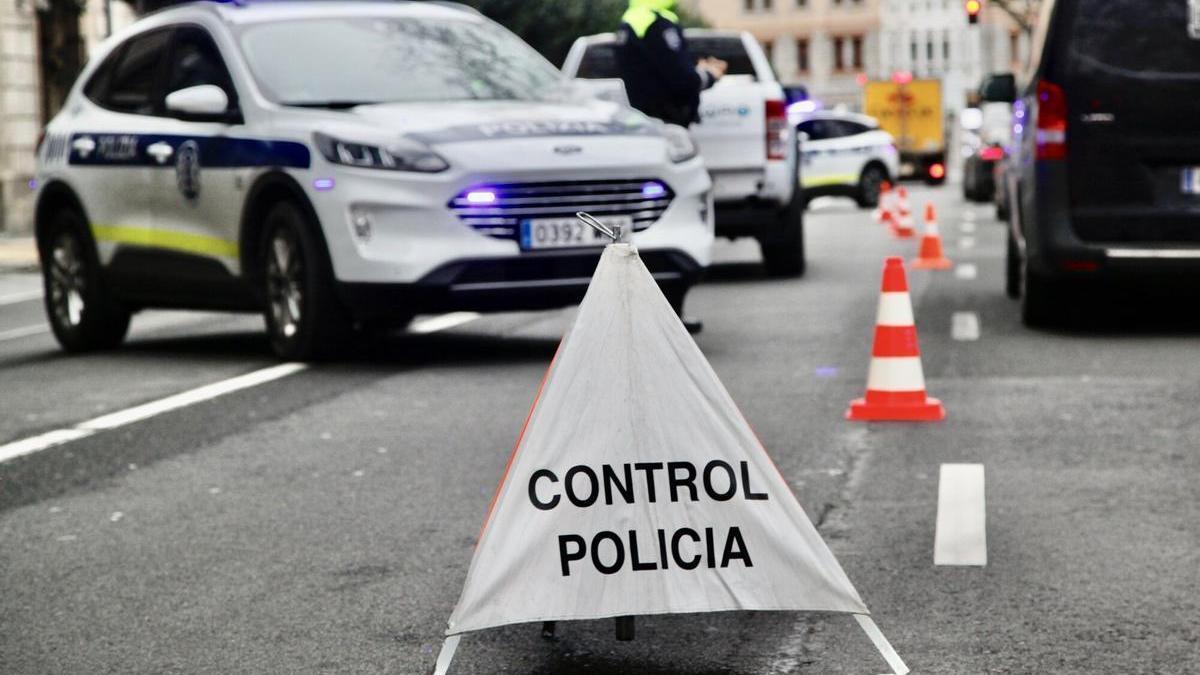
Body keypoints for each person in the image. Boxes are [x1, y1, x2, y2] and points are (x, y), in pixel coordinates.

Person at [615, 0, 727, 127]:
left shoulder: (632, 18)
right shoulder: (656, 22)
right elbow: (683, 79)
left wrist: (695, 67)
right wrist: (710, 74)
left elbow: (653, 67)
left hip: (644, 120)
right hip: (664, 122)